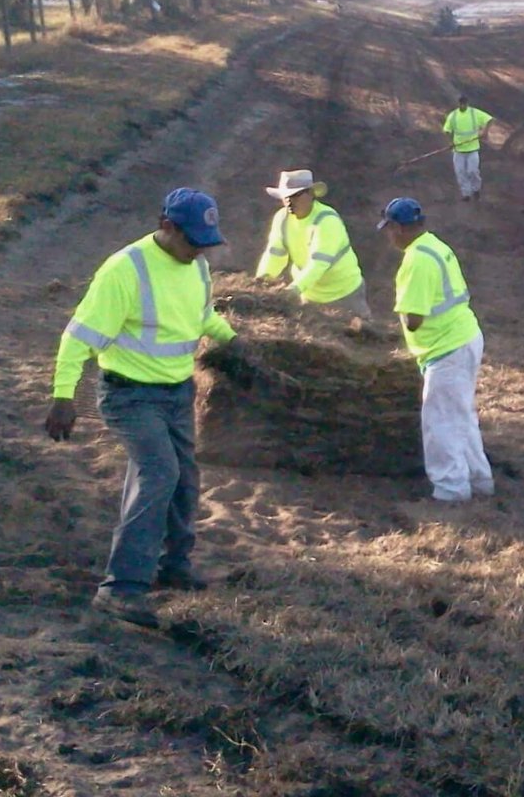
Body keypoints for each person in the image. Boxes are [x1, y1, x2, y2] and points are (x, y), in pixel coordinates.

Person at [46, 188, 242, 628]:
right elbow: (78, 337)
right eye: (192, 241)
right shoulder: (125, 270)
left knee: (184, 477)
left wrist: (236, 343)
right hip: (129, 395)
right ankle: (120, 589)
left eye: (205, 243)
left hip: (177, 392)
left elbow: (202, 316)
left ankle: (174, 566)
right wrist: (64, 396)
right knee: (159, 473)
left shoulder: (198, 266)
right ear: (166, 226)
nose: (198, 251)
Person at [376, 197, 494, 503]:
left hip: (446, 348)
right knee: (461, 415)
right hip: (464, 337)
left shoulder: (416, 260)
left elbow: (413, 320)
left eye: (389, 229)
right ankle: (480, 481)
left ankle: (450, 491)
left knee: (440, 421)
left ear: (399, 228)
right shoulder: (435, 245)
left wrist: (399, 312)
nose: (389, 236)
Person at [254, 169, 370, 320]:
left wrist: (294, 289)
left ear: (310, 194)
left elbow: (319, 263)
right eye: (285, 196)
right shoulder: (281, 218)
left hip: (344, 295)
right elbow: (274, 254)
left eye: (295, 195)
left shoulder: (327, 220)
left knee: (359, 338)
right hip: (310, 296)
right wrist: (262, 282)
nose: (289, 201)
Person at [442, 95, 493, 201]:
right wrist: (450, 142)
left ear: (467, 103)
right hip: (458, 150)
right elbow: (447, 130)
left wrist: (485, 132)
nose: (462, 105)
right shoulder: (453, 115)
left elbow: (489, 119)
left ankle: (476, 189)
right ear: (458, 104)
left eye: (464, 103)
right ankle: (466, 194)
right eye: (461, 103)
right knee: (460, 172)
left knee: (472, 171)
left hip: (472, 149)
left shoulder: (474, 113)